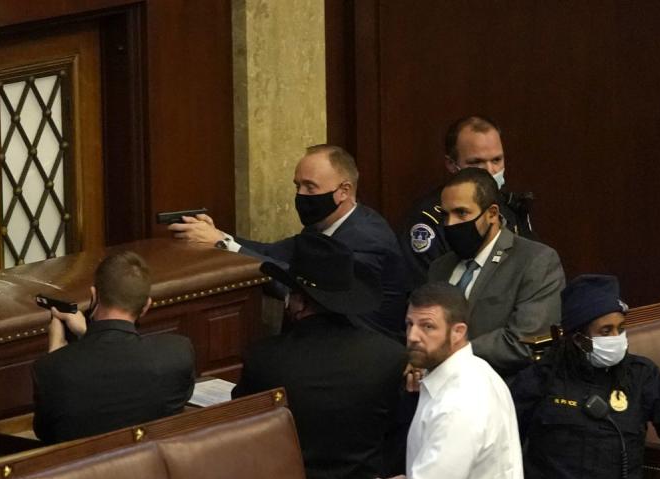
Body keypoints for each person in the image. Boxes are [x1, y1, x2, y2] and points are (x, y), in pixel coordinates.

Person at [511, 274, 660, 479]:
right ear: (578, 338)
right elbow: (505, 444)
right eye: (605, 331)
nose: (616, 339)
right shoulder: (542, 378)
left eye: (621, 329)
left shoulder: (641, 376)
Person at [169, 144, 409, 340]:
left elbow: (308, 291)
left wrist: (224, 245)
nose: (300, 195)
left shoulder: (367, 238)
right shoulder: (321, 225)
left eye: (310, 187)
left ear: (344, 191)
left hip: (364, 350)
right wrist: (219, 236)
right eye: (297, 185)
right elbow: (272, 253)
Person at [232, 234, 408, 479]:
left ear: (300, 302)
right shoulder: (391, 357)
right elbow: (400, 436)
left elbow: (243, 432)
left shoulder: (263, 358)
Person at [362, 282, 528, 479]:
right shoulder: (478, 372)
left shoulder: (460, 400)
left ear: (458, 331)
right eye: (409, 324)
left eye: (427, 327)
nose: (413, 337)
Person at [32, 250, 195, 443]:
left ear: (94, 296)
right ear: (146, 306)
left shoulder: (51, 368)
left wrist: (58, 353)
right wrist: (86, 334)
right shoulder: (177, 352)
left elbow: (47, 433)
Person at [425, 167, 564, 378]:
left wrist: (452, 355)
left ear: (492, 214)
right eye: (445, 215)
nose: (450, 224)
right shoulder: (440, 268)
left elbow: (525, 341)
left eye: (461, 213)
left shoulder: (535, 261)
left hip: (504, 392)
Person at [399, 115, 537, 281]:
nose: (490, 170)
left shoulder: (511, 207)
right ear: (451, 165)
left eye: (496, 160)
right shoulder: (431, 218)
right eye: (476, 162)